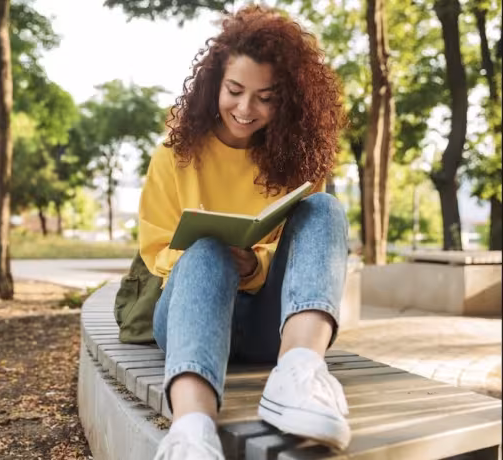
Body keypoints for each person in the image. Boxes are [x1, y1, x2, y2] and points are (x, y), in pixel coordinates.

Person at [137, 5, 351, 460]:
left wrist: (254, 265)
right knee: (207, 249)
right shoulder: (173, 155)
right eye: (235, 90)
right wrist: (213, 258)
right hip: (187, 314)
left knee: (324, 209)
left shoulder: (299, 163)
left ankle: (299, 372)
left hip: (266, 327)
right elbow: (156, 249)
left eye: (265, 97)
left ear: (286, 100)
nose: (245, 109)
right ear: (215, 83)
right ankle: (191, 432)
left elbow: (304, 259)